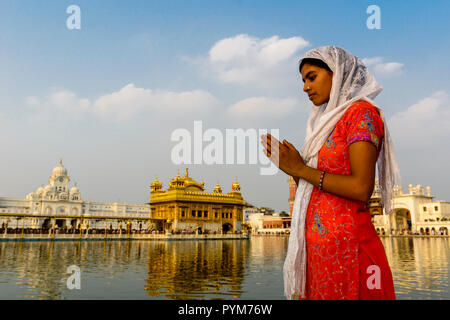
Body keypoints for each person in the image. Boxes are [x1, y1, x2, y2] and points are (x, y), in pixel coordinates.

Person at [261, 46, 400, 300]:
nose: (305, 87)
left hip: (350, 253)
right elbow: (318, 189)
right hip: (320, 256)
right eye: (303, 80)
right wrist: (294, 170)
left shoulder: (360, 114)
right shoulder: (324, 125)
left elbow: (361, 188)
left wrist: (301, 169)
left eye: (311, 77)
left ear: (337, 74)